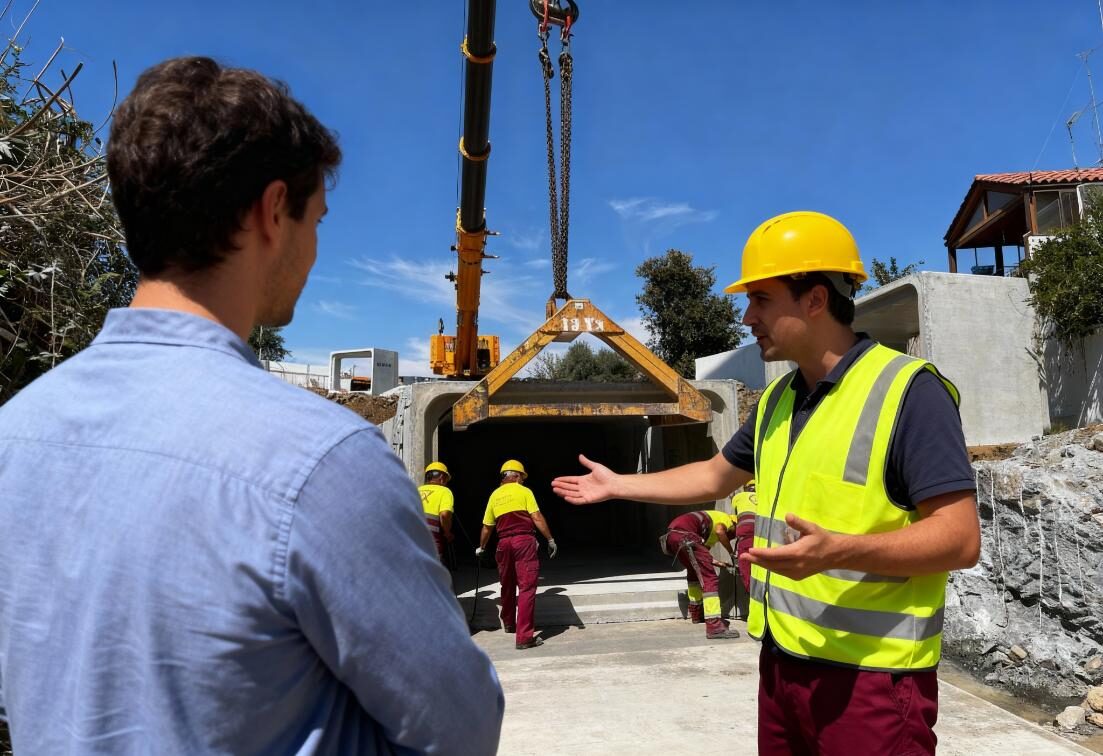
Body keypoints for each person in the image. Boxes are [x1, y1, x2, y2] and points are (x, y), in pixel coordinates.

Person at [0, 56, 503, 755]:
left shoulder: (14, 432)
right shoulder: (320, 463)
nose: (316, 246)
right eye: (316, 218)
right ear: (273, 212)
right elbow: (460, 726)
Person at [552, 210, 980, 755]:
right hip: (781, 666)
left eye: (762, 299)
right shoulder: (780, 399)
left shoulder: (909, 392)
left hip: (870, 680)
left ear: (816, 299)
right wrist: (620, 486)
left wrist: (839, 552)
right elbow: (714, 474)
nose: (748, 316)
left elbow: (960, 539)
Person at [477, 460, 558, 650]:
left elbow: (487, 527)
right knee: (527, 588)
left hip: (503, 544)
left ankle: (509, 623)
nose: (522, 480)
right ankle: (524, 638)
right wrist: (550, 539)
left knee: (507, 583)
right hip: (523, 542)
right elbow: (536, 516)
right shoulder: (525, 491)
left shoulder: (494, 495)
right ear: (516, 475)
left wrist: (481, 548)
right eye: (521, 476)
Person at [660, 510, 741, 639]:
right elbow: (721, 531)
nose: (731, 538)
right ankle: (715, 627)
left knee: (693, 572)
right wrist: (732, 554)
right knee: (709, 578)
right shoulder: (727, 520)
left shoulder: (709, 531)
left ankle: (696, 614)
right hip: (686, 537)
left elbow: (703, 557)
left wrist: (720, 563)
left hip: (673, 538)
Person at [420, 461, 456, 561]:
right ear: (441, 478)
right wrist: (448, 533)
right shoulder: (445, 491)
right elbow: (444, 515)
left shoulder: (416, 489)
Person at [730, 480, 758, 594]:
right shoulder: (764, 497)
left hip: (746, 535)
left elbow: (733, 518)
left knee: (746, 568)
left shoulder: (739, 497)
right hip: (763, 534)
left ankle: (752, 596)